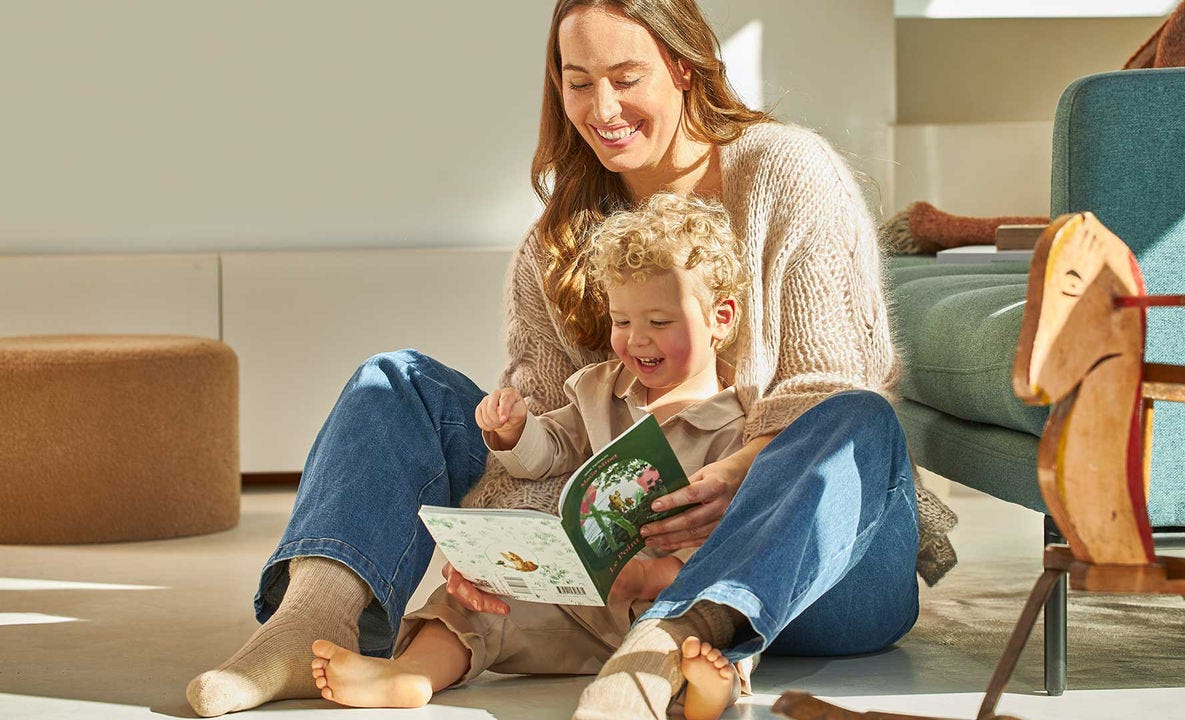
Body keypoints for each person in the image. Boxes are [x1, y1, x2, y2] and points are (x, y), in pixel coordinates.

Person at [184, 0, 958, 718]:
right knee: (395, 381)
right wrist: (500, 555)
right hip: (628, 574)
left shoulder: (786, 172)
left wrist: (742, 471)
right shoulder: (557, 242)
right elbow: (553, 454)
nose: (603, 110)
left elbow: (832, 378)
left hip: (824, 574)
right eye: (578, 83)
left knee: (858, 417)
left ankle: (665, 643)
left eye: (627, 79)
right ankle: (306, 624)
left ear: (683, 68)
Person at [307, 192, 751, 720]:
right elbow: (552, 450)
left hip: (666, 600)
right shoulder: (601, 389)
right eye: (622, 321)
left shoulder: (740, 423)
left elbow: (741, 543)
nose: (636, 340)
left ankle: (702, 692)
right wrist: (515, 433)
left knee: (705, 631)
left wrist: (650, 578)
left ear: (720, 319)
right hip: (583, 599)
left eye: (659, 321)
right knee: (476, 603)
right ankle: (413, 674)